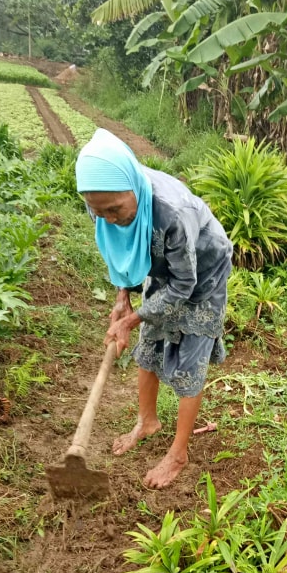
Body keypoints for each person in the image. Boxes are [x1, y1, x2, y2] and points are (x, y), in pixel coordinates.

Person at [75, 129, 233, 489]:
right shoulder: (102, 203)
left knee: (189, 361)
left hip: (202, 275)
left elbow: (183, 284)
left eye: (114, 209)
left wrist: (131, 319)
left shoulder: (172, 213)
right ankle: (147, 422)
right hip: (163, 267)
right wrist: (122, 298)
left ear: (133, 187)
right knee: (148, 348)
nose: (108, 218)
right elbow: (122, 251)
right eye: (100, 212)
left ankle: (178, 453)